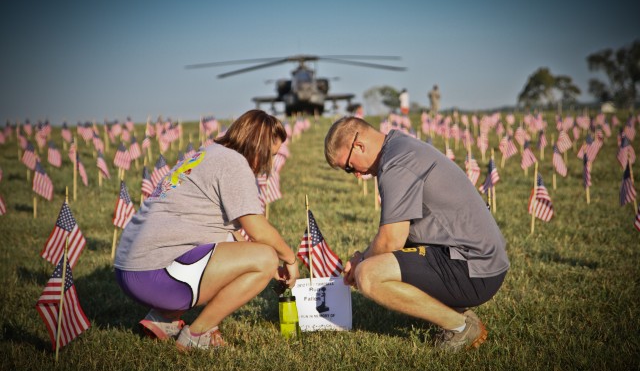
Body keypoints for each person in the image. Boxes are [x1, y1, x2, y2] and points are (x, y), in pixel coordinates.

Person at [114, 109, 300, 351]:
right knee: (266, 258)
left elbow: (230, 235)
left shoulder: (210, 153)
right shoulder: (235, 163)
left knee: (241, 249)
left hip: (130, 268)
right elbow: (257, 228)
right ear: (257, 145)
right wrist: (290, 259)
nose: (271, 163)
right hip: (151, 274)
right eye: (271, 154)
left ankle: (164, 319)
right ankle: (198, 334)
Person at [324, 117, 509, 352]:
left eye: (349, 167)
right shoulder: (399, 146)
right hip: (479, 260)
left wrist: (361, 261)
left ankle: (460, 327)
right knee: (379, 261)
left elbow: (392, 239)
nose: (357, 176)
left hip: (477, 269)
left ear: (358, 145)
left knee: (368, 275)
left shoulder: (396, 164)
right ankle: (456, 311)